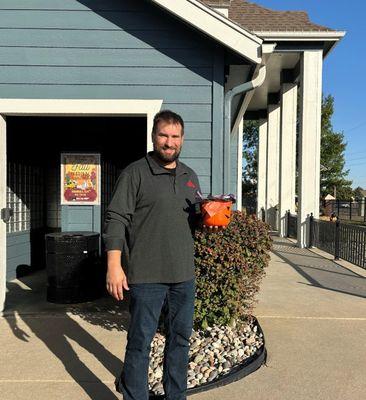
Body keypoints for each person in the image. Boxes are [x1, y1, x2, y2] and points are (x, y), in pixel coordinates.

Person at [103, 110, 201, 400]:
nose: (169, 142)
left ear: (182, 139)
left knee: (180, 341)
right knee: (140, 342)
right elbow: (116, 218)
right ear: (153, 137)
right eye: (163, 135)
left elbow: (192, 220)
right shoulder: (135, 173)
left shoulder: (190, 176)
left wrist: (211, 218)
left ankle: (176, 396)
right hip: (146, 276)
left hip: (183, 275)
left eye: (175, 136)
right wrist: (114, 265)